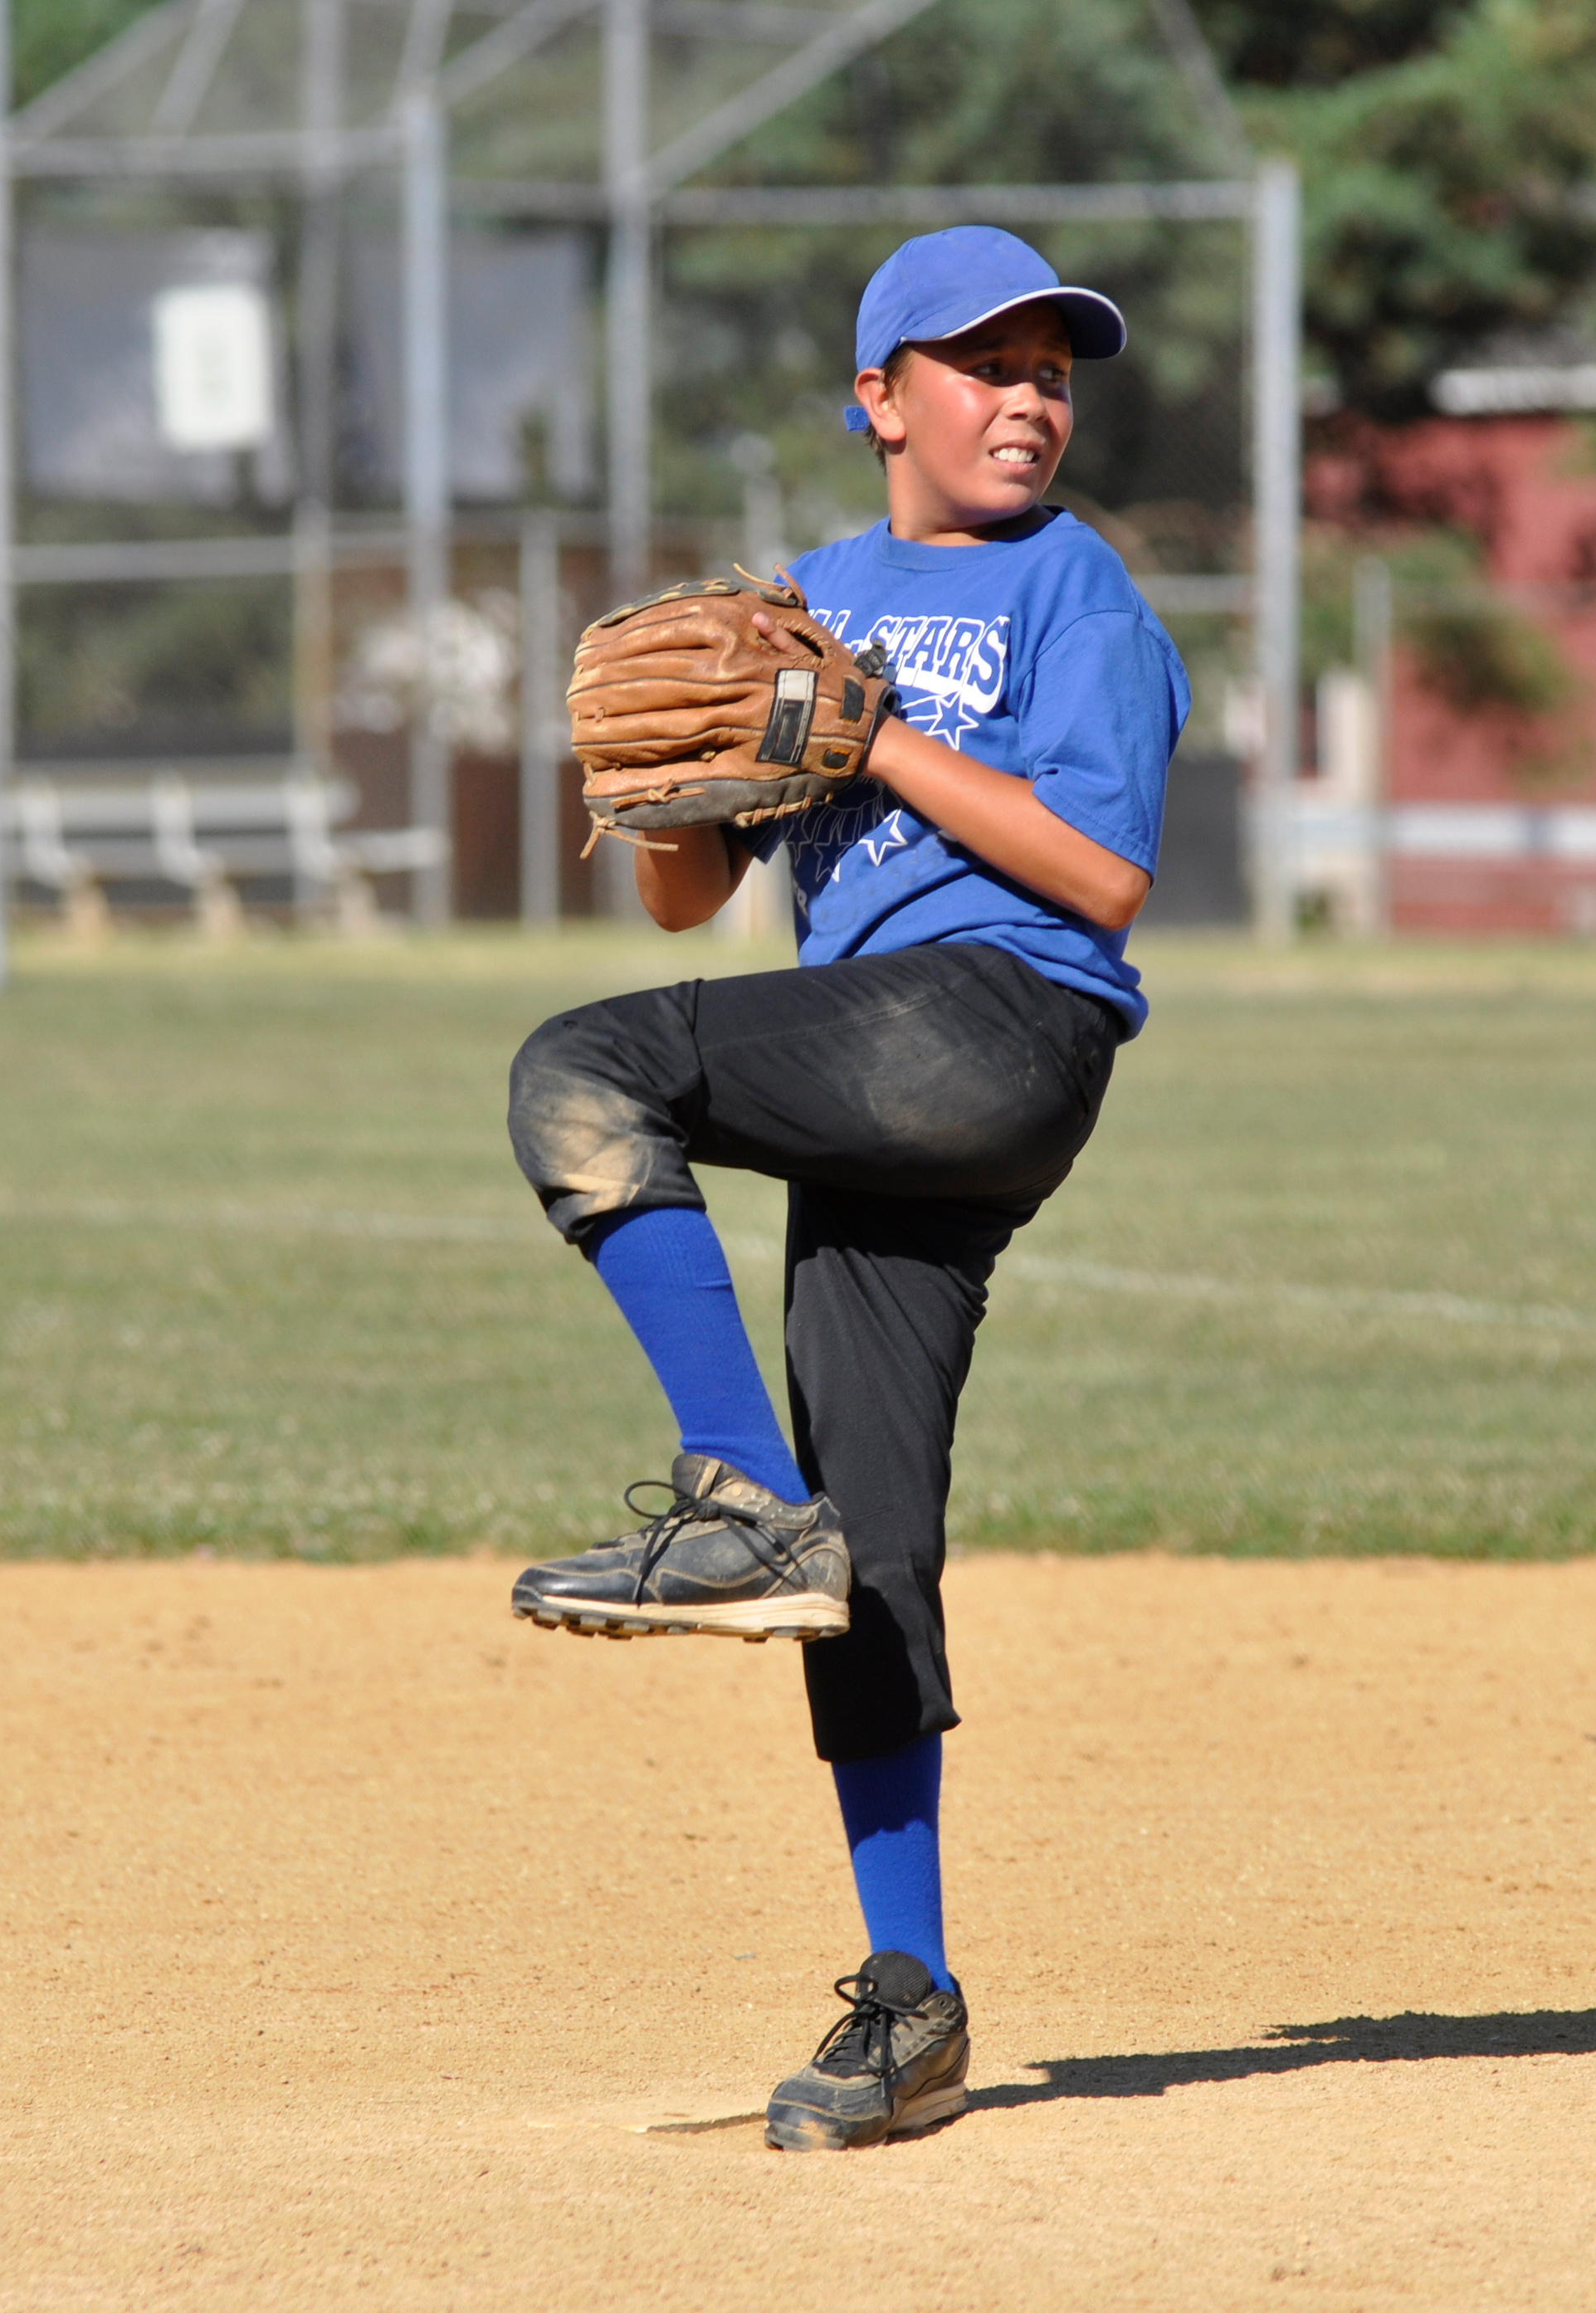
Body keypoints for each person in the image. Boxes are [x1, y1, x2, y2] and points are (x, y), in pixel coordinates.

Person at [505, 227, 1187, 2150]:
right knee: (863, 1563)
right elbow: (691, 897)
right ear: (882, 398)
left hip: (1001, 1025)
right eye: (984, 362)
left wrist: (874, 733)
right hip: (877, 1079)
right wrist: (678, 781)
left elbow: (1107, 878)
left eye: (1055, 365)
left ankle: (728, 1489)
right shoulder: (809, 596)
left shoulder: (1084, 595)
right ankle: (913, 1999)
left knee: (584, 1065)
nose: (1031, 395)